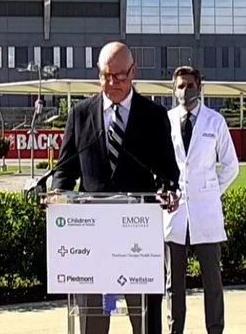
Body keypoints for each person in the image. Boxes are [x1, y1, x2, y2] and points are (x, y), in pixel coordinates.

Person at [52, 41, 181, 334]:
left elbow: (168, 171)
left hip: (138, 235)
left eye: (119, 77)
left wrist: (168, 190)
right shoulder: (81, 114)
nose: (111, 83)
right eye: (105, 76)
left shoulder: (153, 116)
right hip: (91, 235)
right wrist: (59, 196)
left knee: (145, 317)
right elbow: (65, 169)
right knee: (93, 320)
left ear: (133, 72)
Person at [163, 66, 239, 334]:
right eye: (181, 86)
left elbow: (231, 165)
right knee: (174, 282)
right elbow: (158, 166)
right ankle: (175, 330)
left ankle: (215, 329)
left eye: (190, 85)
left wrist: (210, 190)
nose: (185, 91)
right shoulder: (166, 120)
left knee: (212, 279)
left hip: (205, 211)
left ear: (200, 87)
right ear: (174, 89)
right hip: (175, 211)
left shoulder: (214, 121)